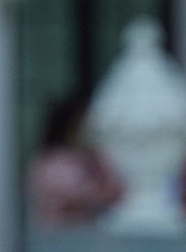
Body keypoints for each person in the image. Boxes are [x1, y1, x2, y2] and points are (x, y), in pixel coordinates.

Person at [25, 93, 120, 232]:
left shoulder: (90, 158)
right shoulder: (52, 163)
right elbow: (78, 199)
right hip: (59, 243)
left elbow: (116, 190)